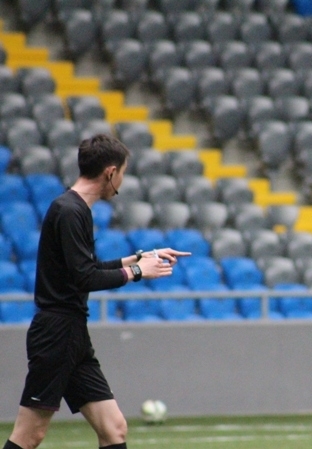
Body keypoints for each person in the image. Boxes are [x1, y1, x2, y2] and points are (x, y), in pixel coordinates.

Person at [3, 134, 191, 449]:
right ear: (110, 172)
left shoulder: (74, 208)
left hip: (72, 332)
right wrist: (137, 272)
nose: (122, 181)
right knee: (29, 435)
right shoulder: (69, 210)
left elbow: (84, 268)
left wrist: (137, 259)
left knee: (114, 429)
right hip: (57, 334)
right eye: (123, 173)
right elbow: (85, 278)